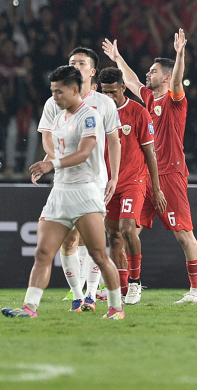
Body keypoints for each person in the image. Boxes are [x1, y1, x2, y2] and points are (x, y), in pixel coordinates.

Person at [2, 66, 125, 319]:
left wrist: (51, 163)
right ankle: (30, 308)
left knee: (100, 255)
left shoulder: (88, 116)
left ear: (74, 90)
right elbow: (59, 148)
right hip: (60, 192)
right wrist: (46, 163)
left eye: (59, 92)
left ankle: (115, 308)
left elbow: (84, 152)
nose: (55, 96)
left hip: (84, 193)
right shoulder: (59, 117)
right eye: (52, 91)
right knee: (43, 252)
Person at [102, 29, 197, 304]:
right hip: (145, 177)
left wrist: (180, 54)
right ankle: (123, 286)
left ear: (168, 77)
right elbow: (132, 81)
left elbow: (179, 78)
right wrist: (117, 58)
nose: (148, 74)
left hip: (170, 175)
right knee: (126, 233)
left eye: (154, 70)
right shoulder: (148, 99)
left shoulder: (175, 100)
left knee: (183, 234)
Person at [36, 48, 121, 312]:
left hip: (94, 180)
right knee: (69, 240)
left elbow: (115, 141)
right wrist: (57, 160)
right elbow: (47, 137)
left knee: (92, 241)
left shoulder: (103, 103)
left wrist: (114, 175)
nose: (75, 65)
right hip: (64, 180)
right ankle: (76, 295)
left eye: (81, 63)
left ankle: (91, 295)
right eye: (72, 62)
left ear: (92, 71)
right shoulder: (54, 102)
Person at [99, 67, 167, 305]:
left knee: (128, 230)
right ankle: (123, 287)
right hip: (107, 184)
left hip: (133, 181)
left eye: (113, 92)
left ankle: (136, 283)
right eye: (104, 92)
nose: (108, 97)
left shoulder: (138, 112)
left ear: (123, 88)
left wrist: (156, 189)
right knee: (113, 236)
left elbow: (151, 154)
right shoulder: (95, 113)